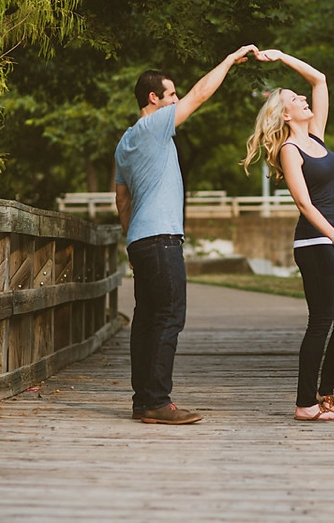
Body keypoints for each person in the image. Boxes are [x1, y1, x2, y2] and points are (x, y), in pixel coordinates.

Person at [115, 44, 258, 425]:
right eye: (171, 94)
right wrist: (228, 59)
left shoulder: (125, 142)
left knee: (146, 318)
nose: (177, 99)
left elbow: (122, 200)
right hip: (162, 239)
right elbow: (201, 94)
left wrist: (130, 241)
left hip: (141, 241)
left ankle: (143, 400)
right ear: (153, 98)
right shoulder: (155, 126)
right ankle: (158, 402)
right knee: (169, 317)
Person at [241, 49, 334, 421]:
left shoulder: (317, 139)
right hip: (315, 241)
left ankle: (326, 392)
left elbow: (320, 79)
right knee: (322, 320)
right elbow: (305, 205)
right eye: (295, 99)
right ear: (285, 114)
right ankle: (306, 403)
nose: (303, 99)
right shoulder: (290, 150)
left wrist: (281, 58)